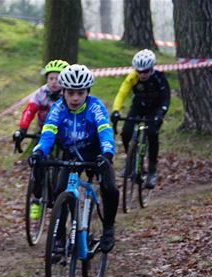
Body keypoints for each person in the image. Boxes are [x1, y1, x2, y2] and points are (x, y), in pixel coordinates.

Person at [29, 64, 119, 253]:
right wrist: (39, 152)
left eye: (80, 92)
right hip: (71, 153)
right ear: (64, 91)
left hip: (96, 153)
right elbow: (48, 133)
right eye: (70, 93)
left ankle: (109, 229)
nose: (75, 98)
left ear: (88, 91)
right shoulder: (58, 108)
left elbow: (105, 131)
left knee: (110, 187)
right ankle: (59, 238)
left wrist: (107, 154)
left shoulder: (95, 106)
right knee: (60, 190)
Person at [13, 59, 70, 221]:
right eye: (51, 78)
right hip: (44, 132)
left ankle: (61, 195)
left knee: (64, 164)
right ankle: (37, 198)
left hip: (64, 134)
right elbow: (29, 111)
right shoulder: (41, 93)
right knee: (37, 162)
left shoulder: (68, 95)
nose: (53, 82)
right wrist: (22, 129)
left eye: (58, 79)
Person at [111, 49, 170, 189]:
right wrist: (115, 110)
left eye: (146, 71)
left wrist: (160, 114)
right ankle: (131, 162)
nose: (142, 74)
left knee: (152, 133)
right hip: (138, 107)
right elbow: (121, 93)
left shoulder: (159, 78)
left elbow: (166, 99)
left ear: (151, 69)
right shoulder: (132, 77)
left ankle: (152, 171)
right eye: (139, 71)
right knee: (126, 132)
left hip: (154, 109)